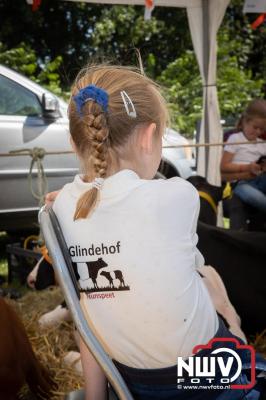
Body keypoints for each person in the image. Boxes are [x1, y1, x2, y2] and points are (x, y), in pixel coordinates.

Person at [51, 65, 265, 400]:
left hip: (132, 382)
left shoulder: (61, 207)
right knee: (253, 362)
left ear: (73, 142)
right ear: (150, 137)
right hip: (200, 376)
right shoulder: (177, 195)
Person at [220, 99, 266, 218]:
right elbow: (223, 166)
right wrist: (248, 167)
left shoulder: (262, 144)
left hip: (260, 180)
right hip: (240, 183)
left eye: (262, 129)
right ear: (245, 122)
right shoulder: (235, 139)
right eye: (255, 127)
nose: (258, 132)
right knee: (260, 200)